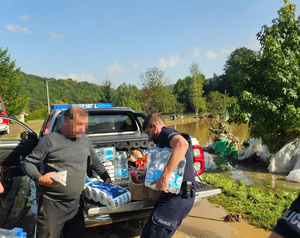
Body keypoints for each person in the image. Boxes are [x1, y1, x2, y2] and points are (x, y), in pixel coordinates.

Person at [22, 106, 111, 238]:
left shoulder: (85, 141)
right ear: (67, 121)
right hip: (51, 206)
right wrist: (40, 179)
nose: (83, 129)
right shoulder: (50, 140)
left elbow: (94, 161)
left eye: (85, 125)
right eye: (79, 124)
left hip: (75, 205)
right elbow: (27, 163)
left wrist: (106, 177)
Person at [141, 113, 195, 238]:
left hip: (179, 197)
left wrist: (165, 176)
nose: (148, 137)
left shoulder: (165, 133)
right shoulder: (162, 140)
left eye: (147, 132)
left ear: (155, 126)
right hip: (172, 195)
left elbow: (182, 144)